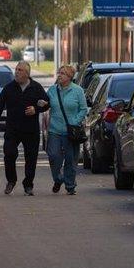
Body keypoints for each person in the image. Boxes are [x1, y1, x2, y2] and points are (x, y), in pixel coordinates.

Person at [0, 61, 50, 196]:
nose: (17, 72)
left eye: (20, 70)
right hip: (13, 129)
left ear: (27, 74)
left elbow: (46, 104)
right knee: (9, 154)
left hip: (30, 130)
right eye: (16, 69)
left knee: (31, 158)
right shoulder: (9, 88)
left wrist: (36, 109)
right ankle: (11, 180)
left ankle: (28, 185)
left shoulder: (36, 87)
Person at [45, 65, 88, 195]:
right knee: (53, 156)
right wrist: (41, 104)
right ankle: (58, 179)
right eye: (59, 72)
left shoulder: (77, 91)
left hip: (71, 131)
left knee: (71, 159)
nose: (59, 75)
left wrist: (74, 121)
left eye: (63, 73)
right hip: (54, 130)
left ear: (70, 77)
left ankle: (70, 185)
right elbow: (46, 104)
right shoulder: (52, 90)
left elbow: (83, 109)